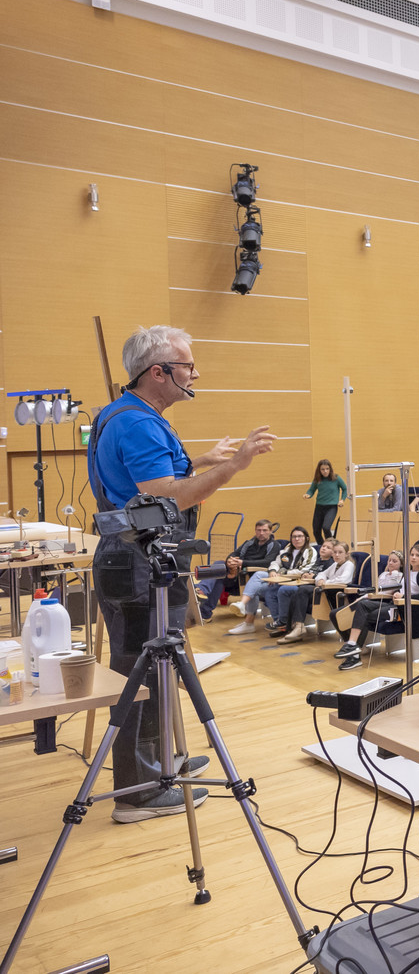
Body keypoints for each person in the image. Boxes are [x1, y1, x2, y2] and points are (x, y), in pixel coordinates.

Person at [86, 326, 276, 815]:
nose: (196, 373)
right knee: (142, 674)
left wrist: (203, 461)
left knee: (153, 670)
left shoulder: (128, 413)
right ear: (158, 372)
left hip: (135, 559)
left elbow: (151, 481)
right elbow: (166, 497)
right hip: (137, 566)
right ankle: (138, 791)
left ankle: (158, 764)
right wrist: (233, 466)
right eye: (188, 365)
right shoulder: (139, 424)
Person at [337, 544, 419, 670]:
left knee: (366, 615)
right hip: (394, 604)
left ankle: (354, 656)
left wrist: (403, 596)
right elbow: (400, 589)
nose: (413, 557)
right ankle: (352, 644)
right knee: (362, 605)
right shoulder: (408, 572)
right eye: (412, 554)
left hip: (406, 610)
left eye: (417, 555)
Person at [203, 518, 281, 626]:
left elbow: (267, 562)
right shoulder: (249, 543)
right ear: (255, 531)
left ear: (271, 531)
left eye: (264, 530)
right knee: (219, 566)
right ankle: (202, 594)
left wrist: (242, 563)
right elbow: (234, 554)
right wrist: (229, 561)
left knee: (219, 576)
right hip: (236, 574)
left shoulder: (274, 545)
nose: (261, 533)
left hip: (250, 579)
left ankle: (204, 608)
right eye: (258, 530)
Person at [279, 540, 355, 644]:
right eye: (335, 552)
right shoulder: (335, 564)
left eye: (340, 552)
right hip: (325, 591)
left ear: (346, 554)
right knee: (297, 593)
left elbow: (343, 580)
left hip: (334, 594)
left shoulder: (349, 565)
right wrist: (321, 579)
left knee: (303, 589)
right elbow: (321, 574)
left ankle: (298, 628)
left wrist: (325, 582)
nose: (337, 555)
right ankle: (293, 627)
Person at [302, 458, 348, 543]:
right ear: (319, 470)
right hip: (319, 507)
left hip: (331, 507)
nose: (325, 471)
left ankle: (332, 545)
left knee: (326, 527)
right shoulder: (317, 479)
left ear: (330, 469)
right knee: (316, 531)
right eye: (322, 469)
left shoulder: (336, 478)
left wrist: (342, 500)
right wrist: (308, 494)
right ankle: (322, 546)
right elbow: (311, 490)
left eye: (327, 469)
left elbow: (345, 489)